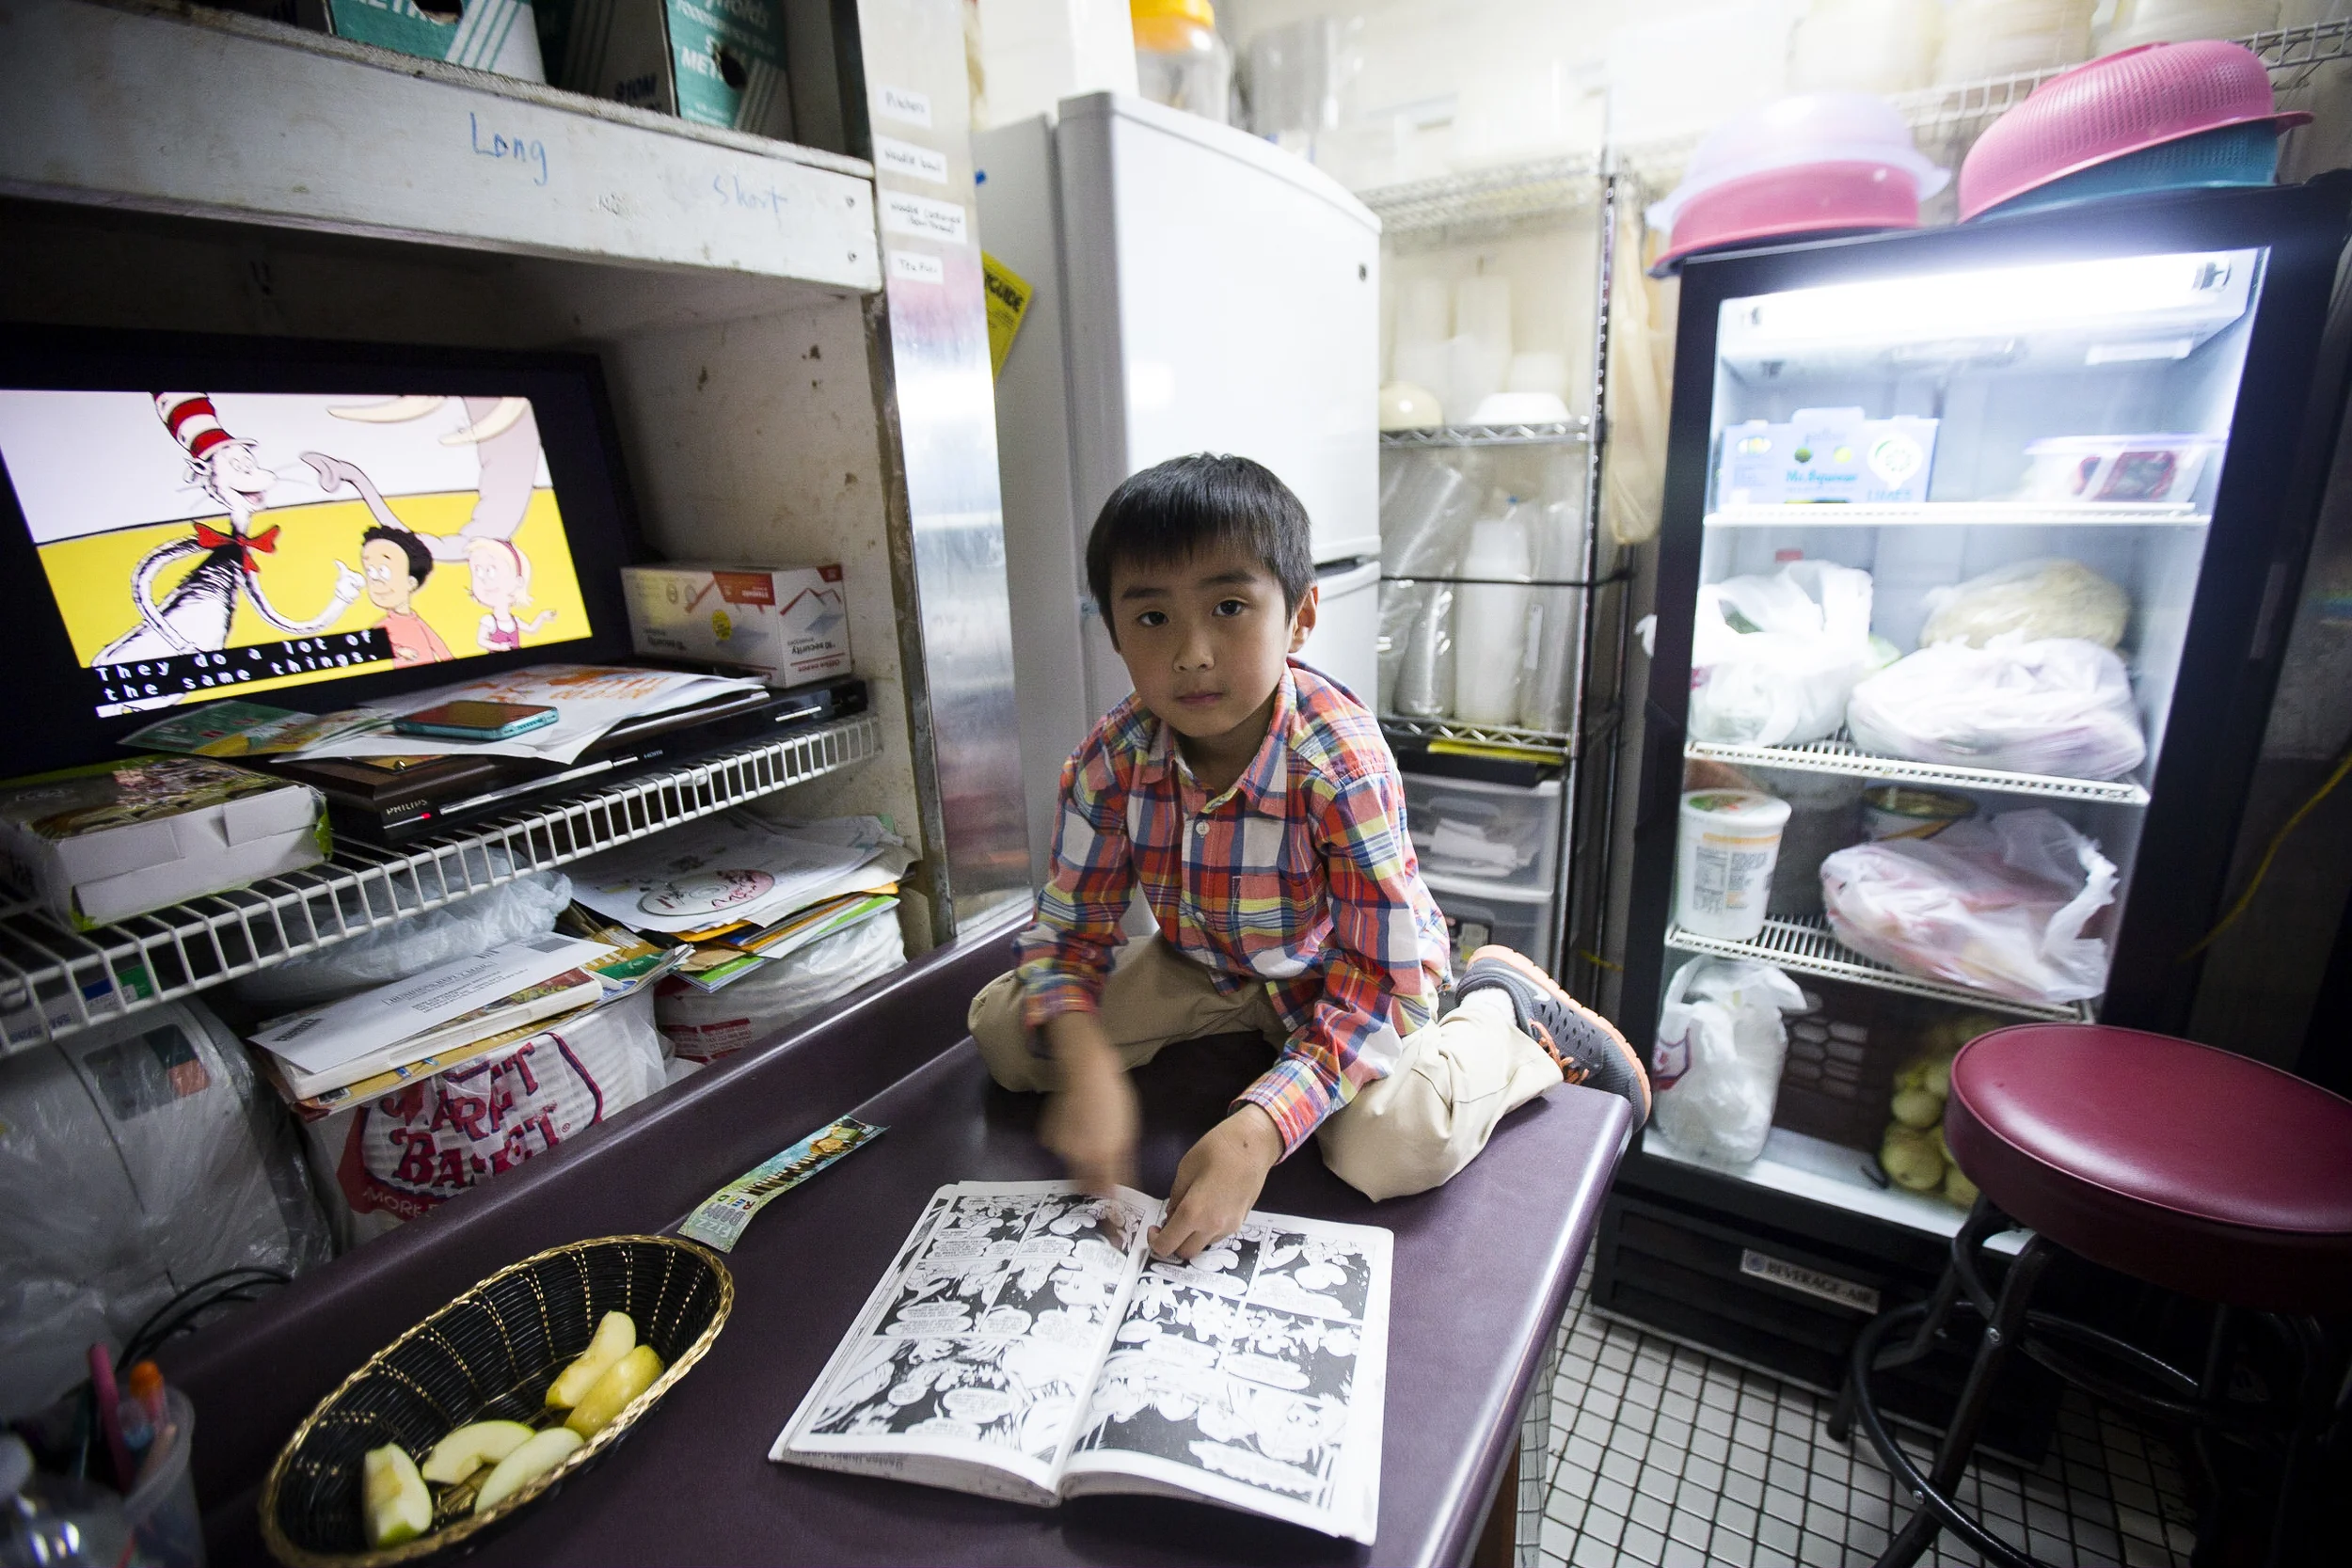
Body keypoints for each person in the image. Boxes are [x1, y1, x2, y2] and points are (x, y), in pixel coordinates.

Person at [969, 454, 1649, 1263]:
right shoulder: (1108, 760)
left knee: (1393, 1147)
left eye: (1228, 606)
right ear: (1114, 632)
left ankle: (1503, 1010)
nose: (1191, 652)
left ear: (1299, 618)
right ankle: (1239, 1042)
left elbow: (1375, 980)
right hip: (1203, 966)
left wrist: (1259, 1130)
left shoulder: (1341, 764)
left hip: (1352, 978)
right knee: (1010, 1035)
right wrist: (1084, 1067)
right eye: (1152, 618)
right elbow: (1068, 933)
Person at [358, 525, 453, 667]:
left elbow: (438, 645)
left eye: (384, 572)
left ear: (411, 582)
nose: (376, 582)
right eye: (370, 572)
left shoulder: (417, 621)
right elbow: (372, 647)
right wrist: (398, 651)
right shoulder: (382, 625)